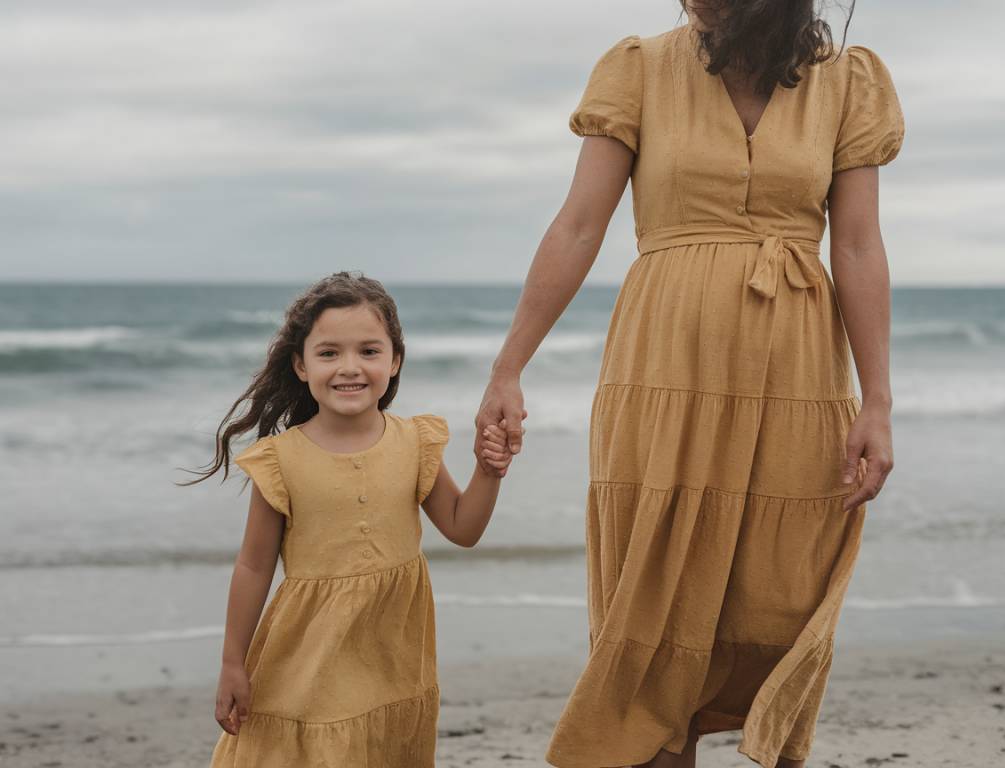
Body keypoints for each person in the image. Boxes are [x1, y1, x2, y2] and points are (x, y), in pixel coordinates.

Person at [474, 1, 904, 766]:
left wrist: (878, 400)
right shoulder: (638, 67)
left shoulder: (849, 81)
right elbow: (578, 224)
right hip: (662, 365)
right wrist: (509, 366)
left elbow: (861, 245)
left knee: (777, 587)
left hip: (797, 368)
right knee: (655, 591)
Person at [185, 272, 514, 767]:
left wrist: (489, 472)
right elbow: (254, 567)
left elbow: (462, 528)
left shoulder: (414, 442)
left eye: (369, 351)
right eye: (329, 353)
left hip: (391, 654)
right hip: (307, 653)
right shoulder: (282, 459)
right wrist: (233, 662)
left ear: (395, 360)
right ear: (301, 365)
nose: (349, 367)